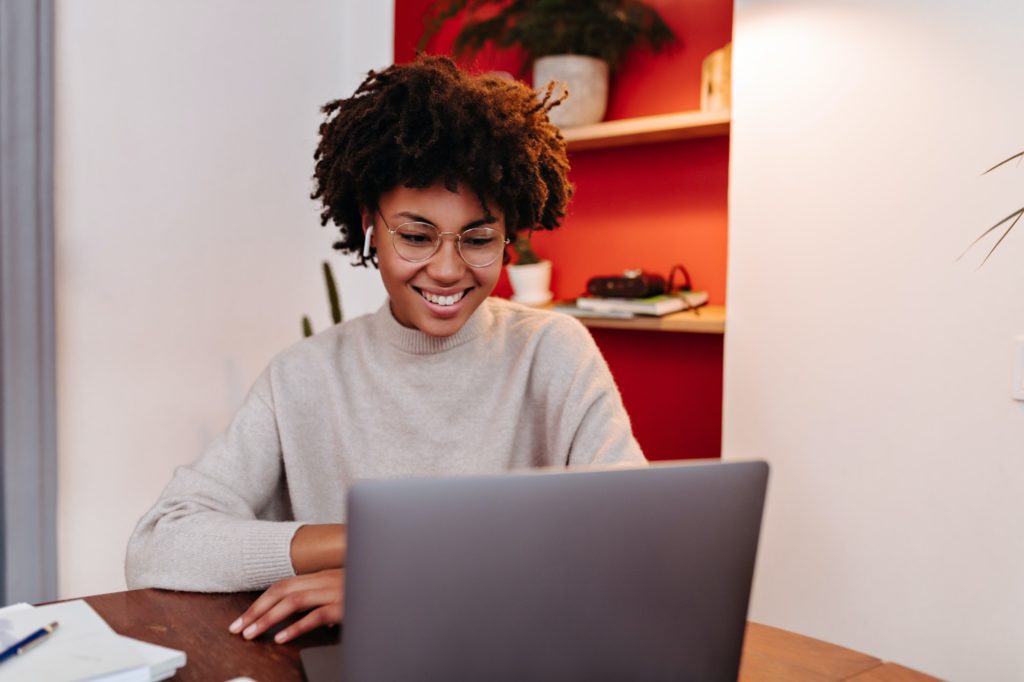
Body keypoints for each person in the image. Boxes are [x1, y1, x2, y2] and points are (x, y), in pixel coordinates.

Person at [125, 55, 645, 644]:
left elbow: (631, 547)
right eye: (417, 236)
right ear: (371, 223)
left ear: (510, 234)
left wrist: (407, 579)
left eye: (478, 239)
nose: (447, 270)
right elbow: (159, 544)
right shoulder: (302, 377)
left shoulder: (553, 353)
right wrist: (377, 545)